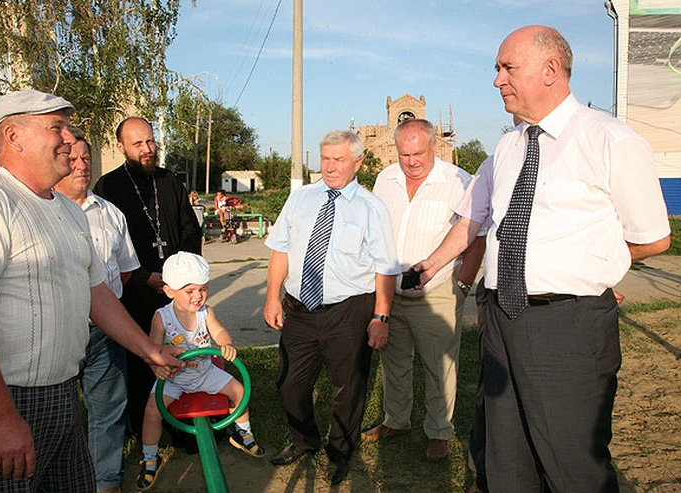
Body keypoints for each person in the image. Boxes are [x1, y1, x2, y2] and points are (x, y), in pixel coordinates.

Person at [414, 26, 671, 492]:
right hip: (500, 319)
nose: (497, 80)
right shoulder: (508, 146)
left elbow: (652, 238)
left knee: (572, 466)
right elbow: (475, 219)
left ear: (551, 69)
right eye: (497, 68)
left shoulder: (610, 139)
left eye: (507, 67)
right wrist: (431, 265)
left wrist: (594, 267)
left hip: (567, 328)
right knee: (504, 462)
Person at [0, 89, 184, 492]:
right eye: (57, 127)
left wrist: (149, 349)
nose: (70, 138)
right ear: (13, 137)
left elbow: (97, 294)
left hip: (61, 393)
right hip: (0, 396)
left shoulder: (67, 210)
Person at [264, 130, 400, 485]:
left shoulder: (371, 208)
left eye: (339, 159)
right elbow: (280, 248)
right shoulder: (300, 199)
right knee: (290, 383)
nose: (330, 166)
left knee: (348, 387)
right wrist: (271, 296)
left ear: (357, 162)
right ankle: (304, 440)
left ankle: (339, 452)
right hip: (299, 310)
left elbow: (385, 268)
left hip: (348, 311)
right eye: (325, 158)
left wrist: (380, 316)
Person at [364, 118, 485, 462]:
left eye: (419, 153)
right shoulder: (384, 179)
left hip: (438, 293)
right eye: (405, 154)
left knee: (438, 366)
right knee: (394, 361)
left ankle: (438, 432)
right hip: (391, 290)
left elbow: (476, 237)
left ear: (434, 146)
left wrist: (463, 284)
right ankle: (396, 421)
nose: (412, 161)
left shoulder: (459, 182)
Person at [94, 116, 203, 437]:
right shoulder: (109, 187)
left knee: (184, 359)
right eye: (138, 144)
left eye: (150, 142)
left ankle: (184, 429)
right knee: (142, 363)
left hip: (175, 295)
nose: (147, 149)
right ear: (121, 147)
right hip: (136, 294)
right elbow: (109, 250)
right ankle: (143, 431)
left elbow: (189, 230)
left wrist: (178, 278)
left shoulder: (170, 181)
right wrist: (145, 277)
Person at [53, 129, 140, 493]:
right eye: (72, 159)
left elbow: (123, 270)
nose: (81, 166)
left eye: (86, 158)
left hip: (104, 332)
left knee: (108, 410)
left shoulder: (111, 214)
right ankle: (62, 480)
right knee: (58, 415)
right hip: (58, 331)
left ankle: (105, 482)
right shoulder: (45, 211)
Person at [137, 252, 264, 490]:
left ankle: (242, 433)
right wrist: (158, 368)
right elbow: (152, 349)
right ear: (169, 291)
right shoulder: (162, 317)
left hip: (205, 371)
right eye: (190, 291)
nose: (198, 296)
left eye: (202, 289)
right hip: (175, 378)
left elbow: (219, 331)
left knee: (240, 390)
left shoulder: (206, 312)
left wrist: (226, 344)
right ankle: (150, 456)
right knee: (152, 411)